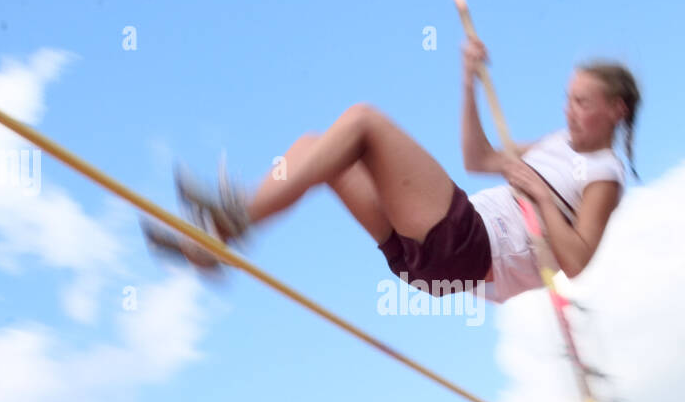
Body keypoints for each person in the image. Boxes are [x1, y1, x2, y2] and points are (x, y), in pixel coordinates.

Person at [143, 39, 639, 302]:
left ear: (615, 110)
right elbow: (478, 159)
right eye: (568, 99)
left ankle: (234, 218)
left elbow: (575, 262)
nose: (569, 111)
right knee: (317, 149)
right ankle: (217, 239)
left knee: (363, 122)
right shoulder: (554, 143)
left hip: (470, 247)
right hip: (427, 259)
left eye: (582, 103)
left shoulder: (603, 171)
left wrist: (543, 197)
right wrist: (468, 83)